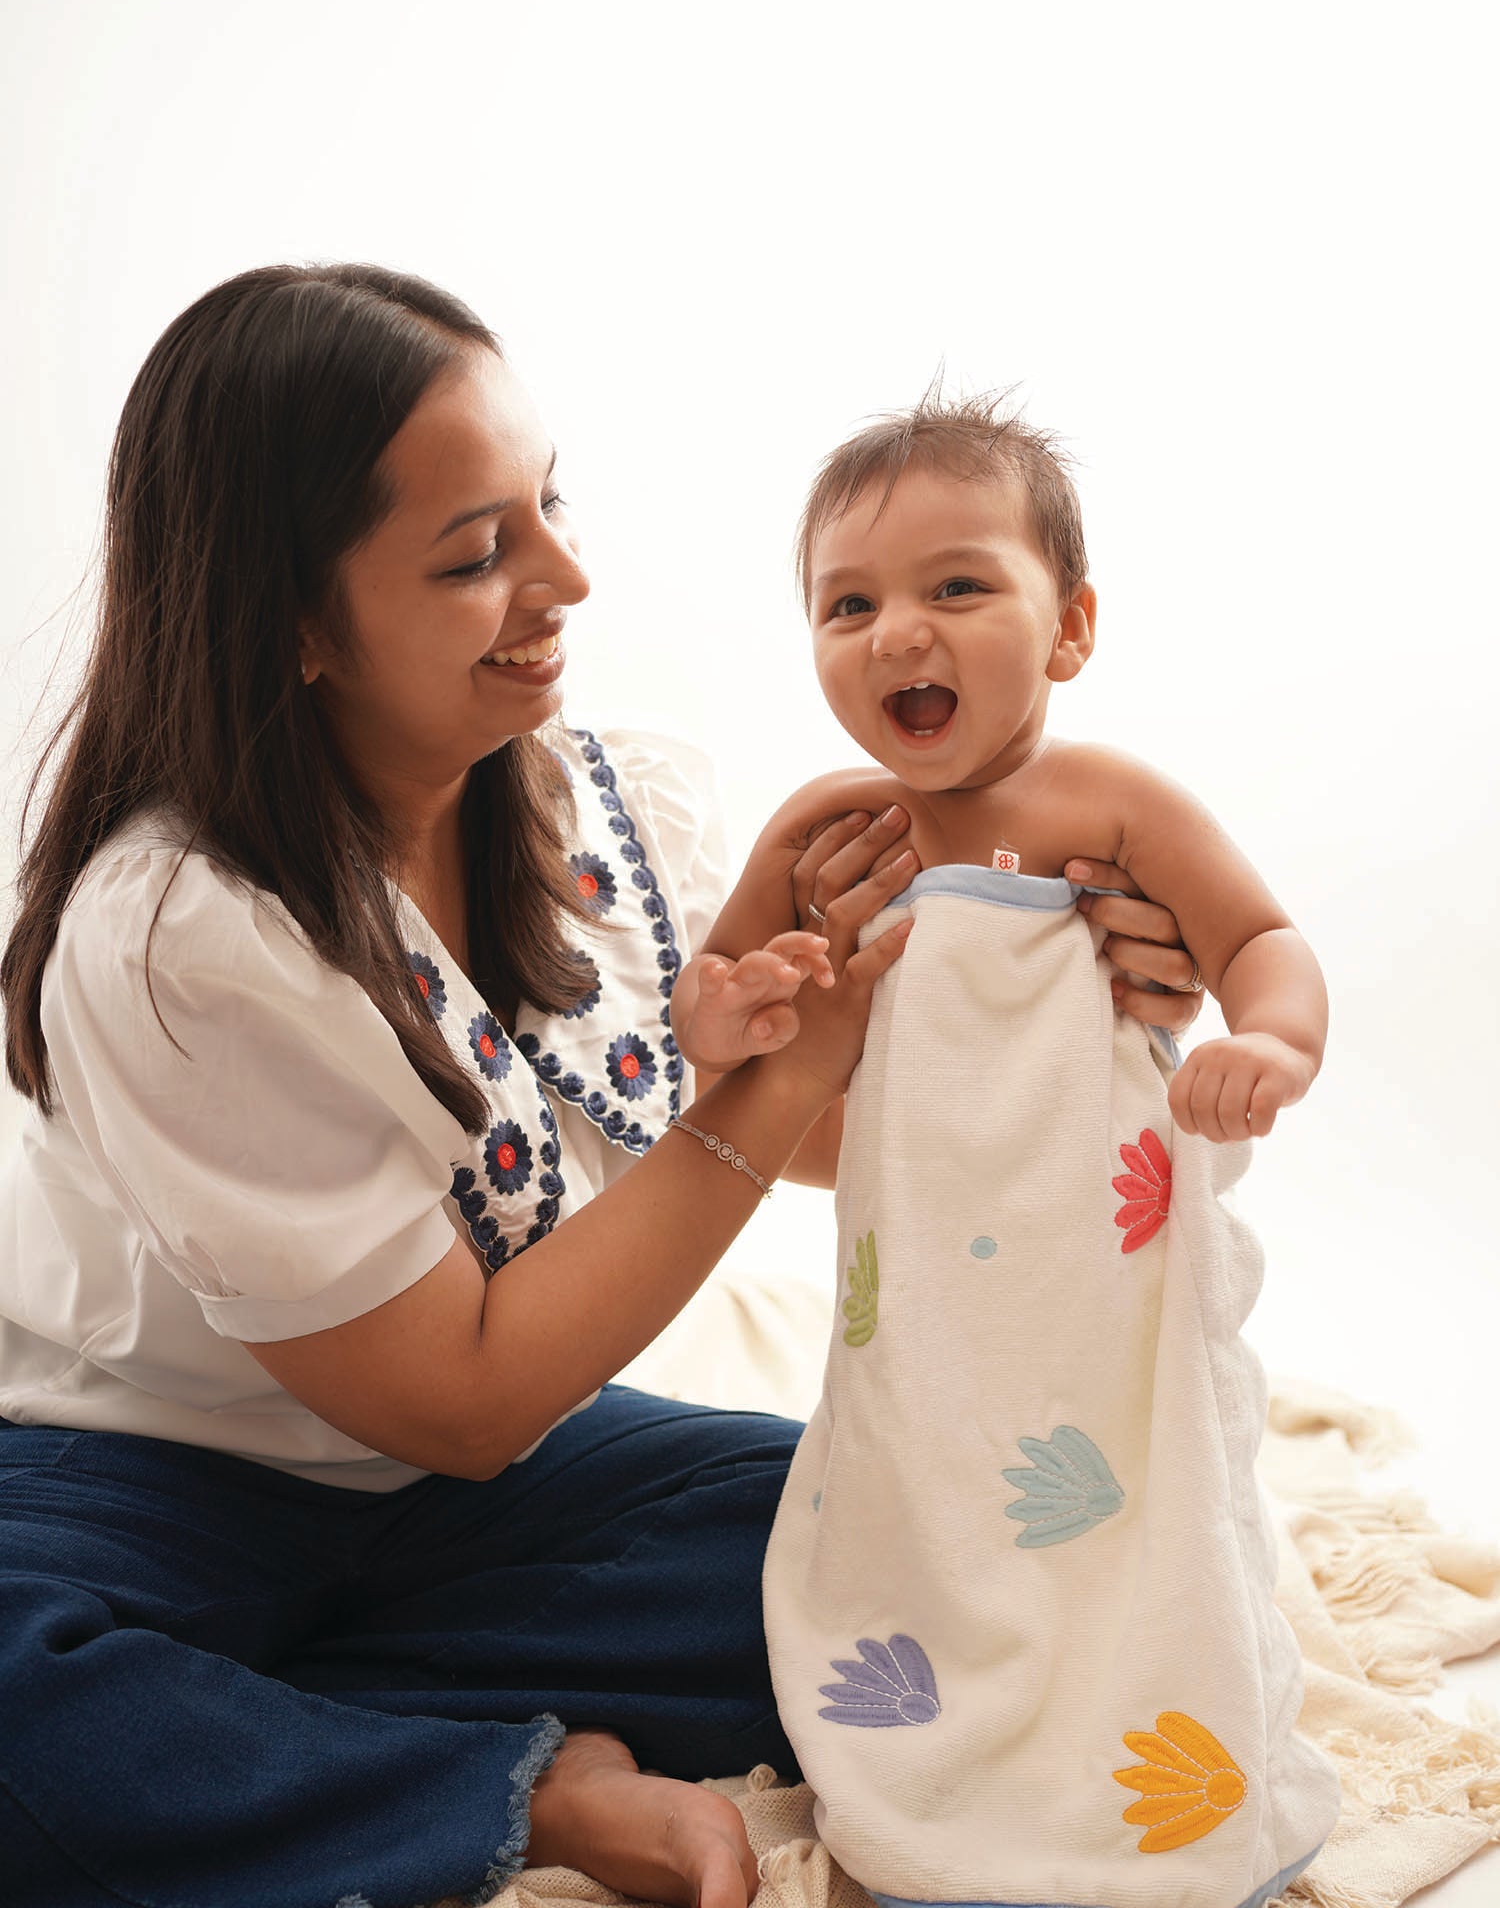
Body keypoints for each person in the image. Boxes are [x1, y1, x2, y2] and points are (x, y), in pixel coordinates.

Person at [0, 272, 1201, 1908]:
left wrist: (1074, 1008)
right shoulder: (180, 938)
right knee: (22, 1707)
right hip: (152, 1477)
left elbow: (834, 1140)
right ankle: (511, 1787)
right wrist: (772, 1085)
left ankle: (279, 1733)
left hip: (464, 1501)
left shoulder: (584, 802)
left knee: (907, 1546)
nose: (564, 578)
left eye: (546, 505)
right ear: (288, 617)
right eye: (475, 553)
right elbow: (469, 1391)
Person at [670, 393, 1342, 1908]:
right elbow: (711, 1026)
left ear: (1071, 626)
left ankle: (1137, 1750)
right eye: (851, 604)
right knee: (921, 1496)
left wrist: (1271, 1046)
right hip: (915, 1293)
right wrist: (723, 1011)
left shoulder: (1110, 806)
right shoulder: (829, 833)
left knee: (1136, 1517)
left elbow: (1263, 938)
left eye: (956, 586)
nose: (899, 631)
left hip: (1098, 1279)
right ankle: (944, 1765)